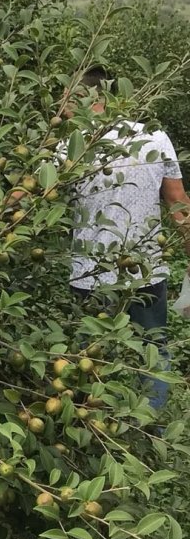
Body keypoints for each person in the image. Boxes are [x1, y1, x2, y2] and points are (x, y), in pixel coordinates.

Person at [64, 65, 190, 411]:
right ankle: (153, 431)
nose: (61, 106)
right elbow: (180, 208)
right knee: (153, 353)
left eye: (66, 97)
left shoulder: (71, 146)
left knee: (86, 358)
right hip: (145, 270)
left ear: (86, 97)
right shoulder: (156, 138)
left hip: (91, 276)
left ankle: (85, 433)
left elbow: (32, 197)